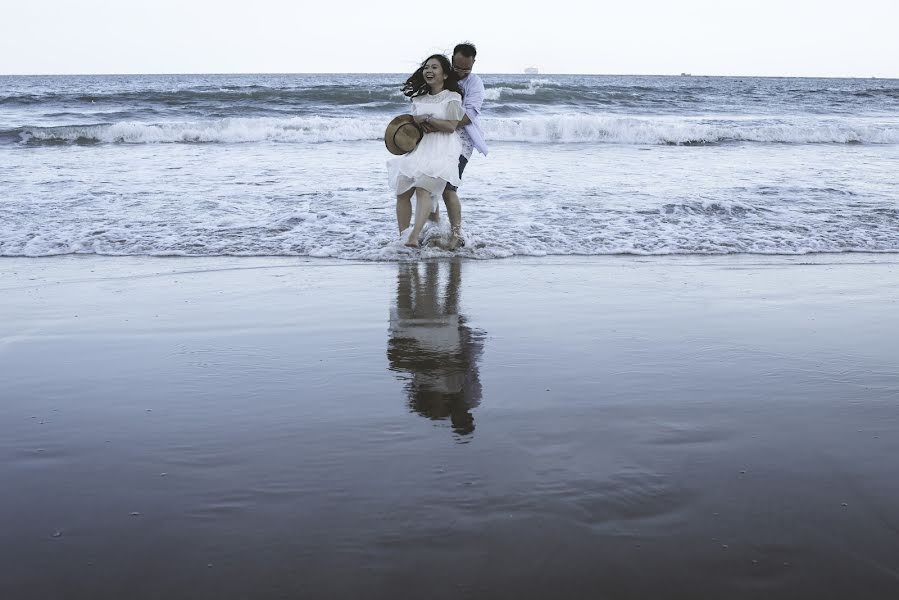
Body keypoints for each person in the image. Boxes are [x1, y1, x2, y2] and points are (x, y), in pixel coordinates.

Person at [387, 54, 466, 248]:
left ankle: (414, 236)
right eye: (426, 67)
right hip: (421, 149)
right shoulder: (418, 99)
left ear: (445, 74)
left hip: (443, 148)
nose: (429, 71)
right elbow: (413, 127)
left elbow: (451, 126)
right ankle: (403, 236)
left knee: (424, 189)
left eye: (434, 67)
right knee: (402, 192)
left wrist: (428, 120)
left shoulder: (453, 97)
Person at [424, 43, 489, 250]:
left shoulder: (475, 83)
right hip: (436, 137)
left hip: (462, 141)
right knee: (429, 184)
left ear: (473, 64)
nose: (461, 73)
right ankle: (433, 231)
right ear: (452, 59)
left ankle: (455, 235)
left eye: (466, 69)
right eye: (458, 67)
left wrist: (443, 125)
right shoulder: (443, 74)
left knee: (449, 187)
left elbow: (468, 117)